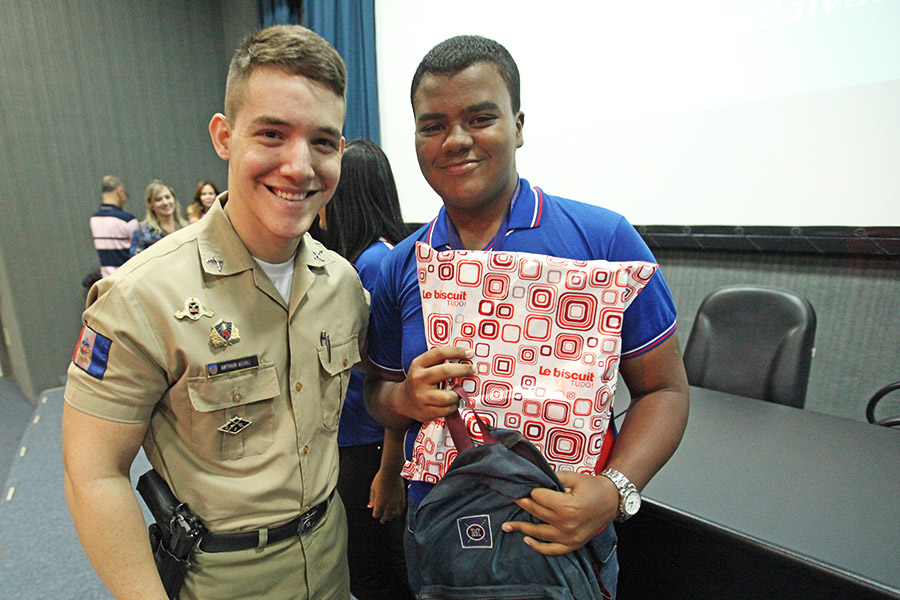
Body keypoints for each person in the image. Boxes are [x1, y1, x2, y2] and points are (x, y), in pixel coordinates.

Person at [364, 35, 690, 598]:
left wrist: (613, 491)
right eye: (433, 125)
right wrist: (406, 401)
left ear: (518, 126)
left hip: (562, 537)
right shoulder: (403, 264)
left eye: (480, 118)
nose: (455, 140)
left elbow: (664, 390)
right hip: (441, 531)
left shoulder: (604, 240)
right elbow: (379, 393)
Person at [62, 25, 368, 600]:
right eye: (272, 134)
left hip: (331, 556)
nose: (299, 166)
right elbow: (94, 472)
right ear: (224, 137)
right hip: (220, 578)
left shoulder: (343, 286)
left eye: (323, 142)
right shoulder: (141, 297)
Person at [311, 139, 414, 600]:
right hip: (355, 438)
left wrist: (389, 471)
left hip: (371, 443)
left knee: (375, 569)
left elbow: (391, 374)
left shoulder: (374, 262)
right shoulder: (362, 258)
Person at [90, 174, 138, 278]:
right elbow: (138, 252)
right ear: (119, 191)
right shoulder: (127, 220)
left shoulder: (94, 219)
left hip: (107, 280)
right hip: (127, 278)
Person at [130, 180, 188, 255]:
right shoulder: (142, 231)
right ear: (150, 205)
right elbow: (136, 259)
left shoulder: (187, 227)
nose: (165, 202)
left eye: (168, 197)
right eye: (158, 199)